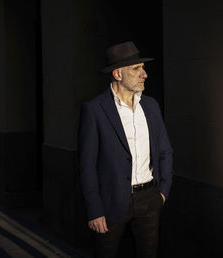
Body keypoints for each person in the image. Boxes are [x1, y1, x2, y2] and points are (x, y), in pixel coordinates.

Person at [78, 41, 173, 258]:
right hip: (111, 201)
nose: (144, 74)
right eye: (136, 69)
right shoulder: (94, 110)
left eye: (142, 68)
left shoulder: (151, 106)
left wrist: (163, 193)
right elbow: (87, 165)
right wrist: (94, 209)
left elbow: (165, 151)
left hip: (150, 198)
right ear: (118, 74)